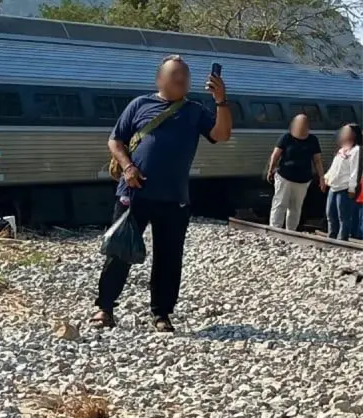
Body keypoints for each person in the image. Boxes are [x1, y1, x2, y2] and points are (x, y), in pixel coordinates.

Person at [93, 55, 232, 333]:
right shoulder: (139, 105)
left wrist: (220, 101)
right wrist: (128, 166)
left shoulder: (195, 110)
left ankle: (162, 313)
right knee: (119, 251)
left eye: (185, 76)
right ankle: (104, 308)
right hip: (134, 193)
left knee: (169, 257)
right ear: (160, 79)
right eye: (175, 75)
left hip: (174, 197)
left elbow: (221, 134)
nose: (181, 80)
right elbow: (115, 140)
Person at [266, 114, 323, 230]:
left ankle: (291, 231)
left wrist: (321, 177)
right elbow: (276, 154)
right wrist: (270, 169)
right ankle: (275, 229)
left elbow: (317, 160)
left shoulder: (313, 140)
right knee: (280, 203)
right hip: (284, 176)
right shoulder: (286, 137)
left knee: (296, 207)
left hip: (303, 179)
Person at [323, 123, 360, 240]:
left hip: (344, 188)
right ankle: (331, 236)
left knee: (343, 216)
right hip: (333, 186)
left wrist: (352, 188)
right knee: (330, 213)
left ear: (354, 134)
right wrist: (326, 178)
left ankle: (342, 238)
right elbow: (334, 167)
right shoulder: (341, 150)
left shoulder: (356, 150)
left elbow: (355, 170)